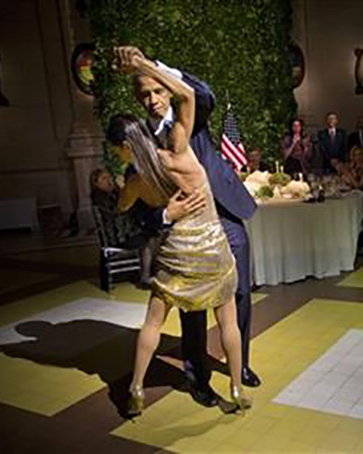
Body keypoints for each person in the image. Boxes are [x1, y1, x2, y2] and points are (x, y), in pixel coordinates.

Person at [114, 46, 261, 408]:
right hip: (183, 229)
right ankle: (198, 377)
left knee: (239, 294)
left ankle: (238, 365)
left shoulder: (186, 118)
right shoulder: (140, 144)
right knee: (191, 308)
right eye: (144, 94)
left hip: (225, 213)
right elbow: (135, 209)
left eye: (157, 91)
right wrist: (166, 214)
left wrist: (150, 65)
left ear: (167, 87)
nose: (151, 99)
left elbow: (201, 95)